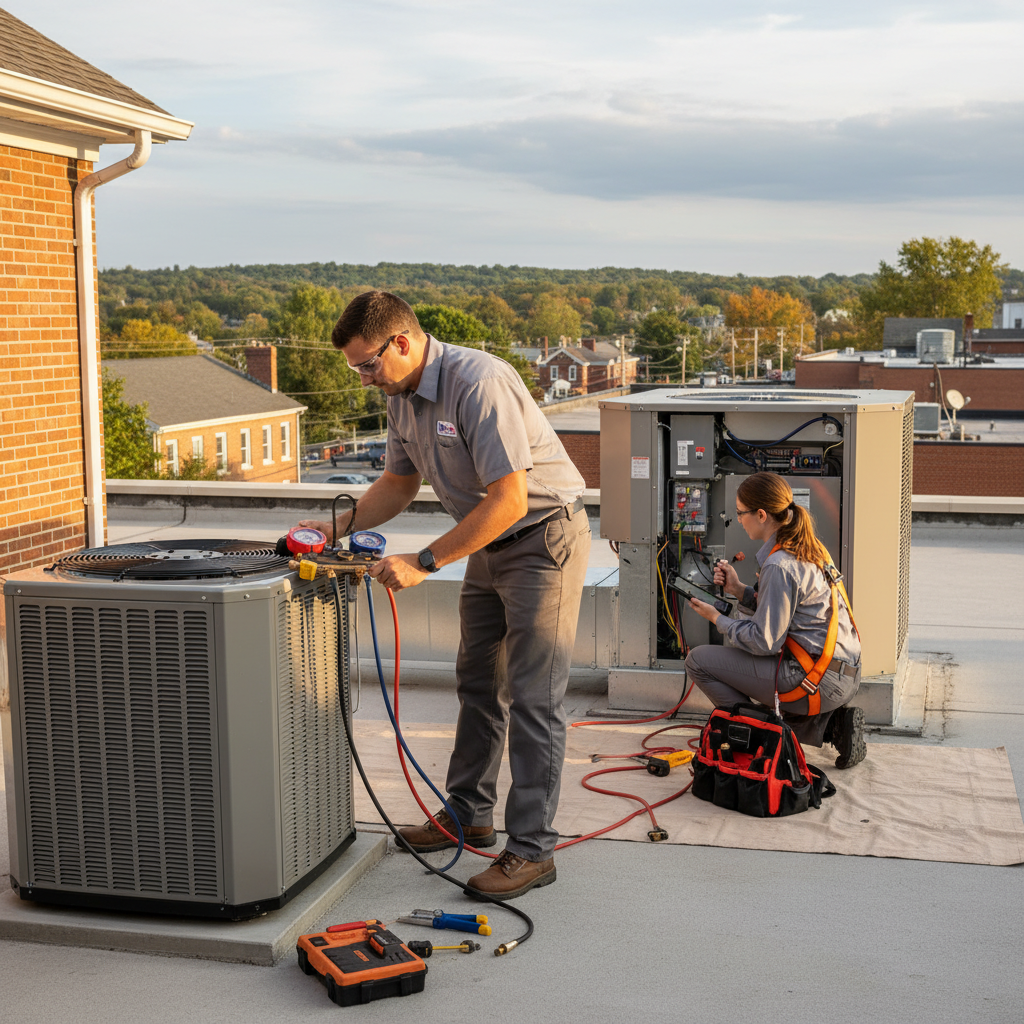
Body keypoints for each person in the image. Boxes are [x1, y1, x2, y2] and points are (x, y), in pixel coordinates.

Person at [296, 290, 591, 899]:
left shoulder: (479, 382)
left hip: (542, 538)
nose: (363, 378)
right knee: (479, 683)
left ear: (401, 342)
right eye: (355, 367)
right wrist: (331, 530)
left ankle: (532, 850)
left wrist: (425, 561)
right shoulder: (401, 397)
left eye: (367, 364)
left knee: (535, 697)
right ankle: (468, 814)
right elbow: (396, 485)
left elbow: (509, 499)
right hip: (486, 542)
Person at [683, 472, 866, 768]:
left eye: (741, 513)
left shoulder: (779, 565)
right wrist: (738, 591)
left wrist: (717, 618)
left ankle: (762, 736)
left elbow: (764, 641)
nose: (739, 519)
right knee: (759, 669)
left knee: (698, 661)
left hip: (816, 681)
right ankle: (833, 727)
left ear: (761, 514)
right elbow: (785, 614)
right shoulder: (809, 547)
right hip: (841, 675)